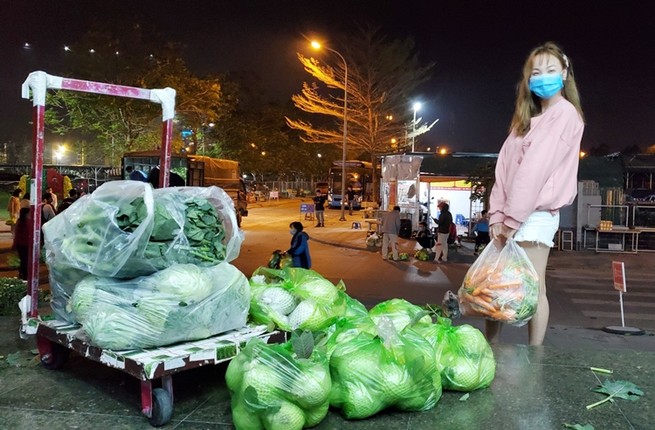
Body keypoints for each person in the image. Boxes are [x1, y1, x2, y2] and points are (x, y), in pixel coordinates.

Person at [486, 42, 584, 346]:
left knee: (533, 286)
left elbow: (535, 170)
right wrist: (496, 215)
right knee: (494, 287)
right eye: (536, 72)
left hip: (536, 215)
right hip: (510, 216)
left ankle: (535, 356)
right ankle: (488, 350)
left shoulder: (564, 114)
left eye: (551, 70)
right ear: (528, 80)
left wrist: (512, 218)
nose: (543, 77)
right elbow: (503, 170)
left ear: (565, 73)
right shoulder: (524, 121)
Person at [13, 207, 31, 280]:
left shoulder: (19, 221)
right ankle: (24, 275)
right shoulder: (28, 222)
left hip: (20, 244)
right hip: (26, 244)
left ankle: (22, 274)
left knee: (23, 260)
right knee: (25, 260)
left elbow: (16, 234)